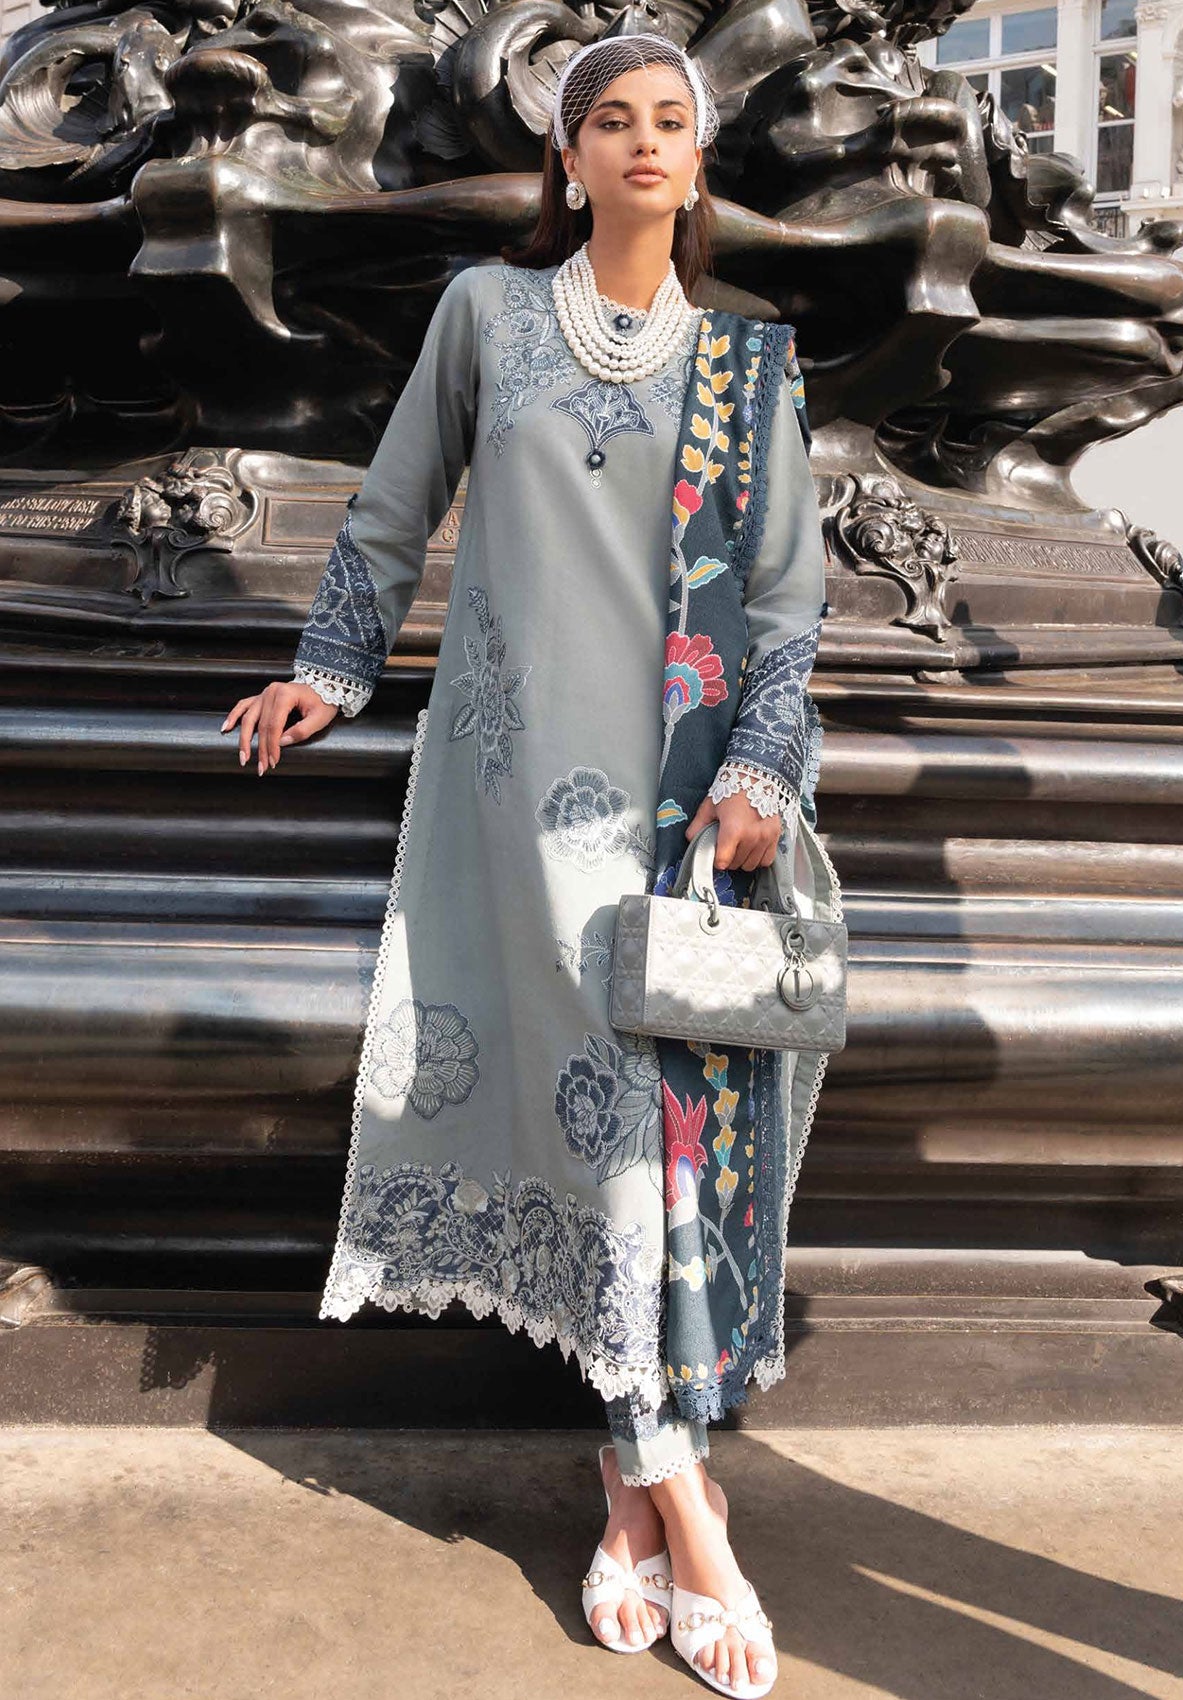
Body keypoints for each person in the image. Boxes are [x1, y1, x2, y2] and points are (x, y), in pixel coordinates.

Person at [221, 33, 830, 1699]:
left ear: (698, 162)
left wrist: (760, 773)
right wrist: (329, 671)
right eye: (609, 121)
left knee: (654, 1166)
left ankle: (638, 1497)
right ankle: (693, 1517)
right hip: (510, 811)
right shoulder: (485, 316)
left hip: (677, 821)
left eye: (670, 122)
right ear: (568, 158)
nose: (643, 143)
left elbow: (789, 606)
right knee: (613, 1155)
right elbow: (392, 505)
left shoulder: (748, 365)